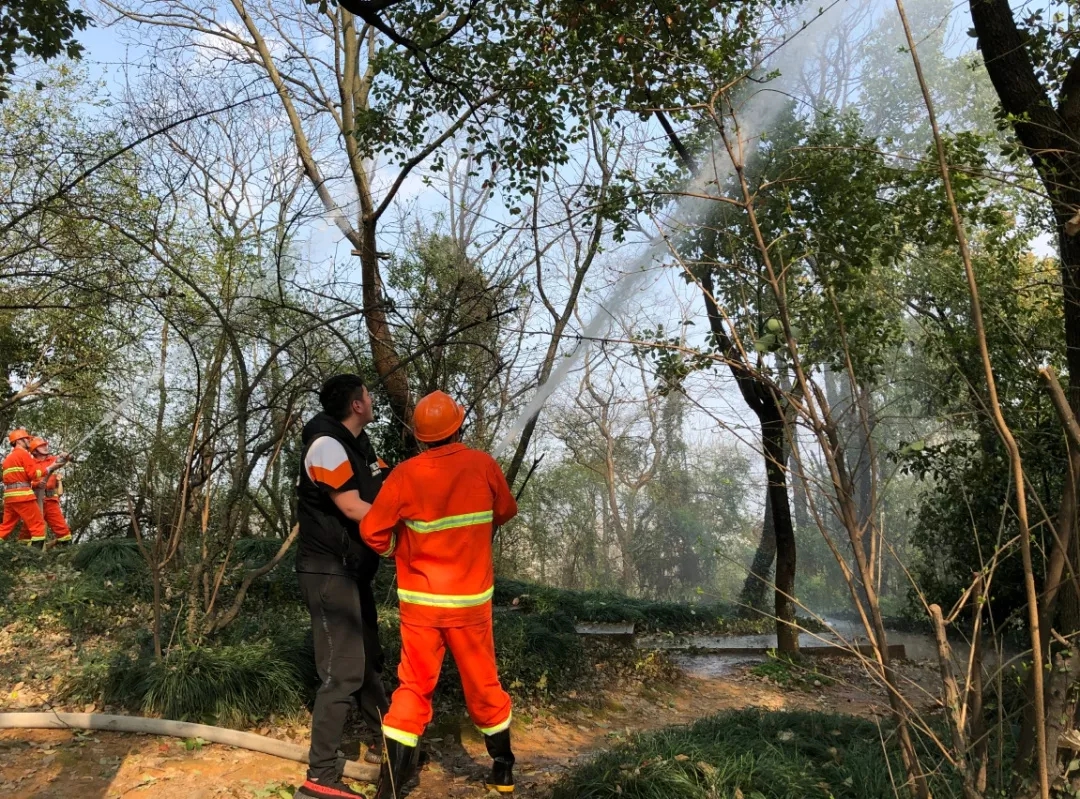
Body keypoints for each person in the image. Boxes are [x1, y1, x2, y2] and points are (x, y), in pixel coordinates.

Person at [360, 390, 518, 798]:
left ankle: (390, 789)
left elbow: (372, 531)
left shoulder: (404, 475)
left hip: (421, 606)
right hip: (471, 604)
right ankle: (503, 771)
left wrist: (399, 548)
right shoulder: (483, 465)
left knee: (412, 688)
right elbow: (505, 510)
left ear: (419, 437)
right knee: (484, 683)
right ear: (458, 427)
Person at [295, 374, 391, 799]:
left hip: (352, 570)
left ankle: (388, 744)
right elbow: (352, 506)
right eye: (368, 395)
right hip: (328, 571)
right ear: (356, 404)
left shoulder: (361, 447)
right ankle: (319, 778)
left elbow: (390, 486)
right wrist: (402, 527)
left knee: (367, 662)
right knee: (342, 671)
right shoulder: (326, 445)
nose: (372, 400)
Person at [0, 429, 47, 548]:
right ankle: (34, 555)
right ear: (19, 441)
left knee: (5, 527)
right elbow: (33, 474)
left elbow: (15, 477)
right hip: (22, 496)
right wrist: (48, 469)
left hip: (10, 497)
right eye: (27, 439)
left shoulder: (8, 459)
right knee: (38, 524)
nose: (29, 441)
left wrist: (35, 484)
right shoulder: (23, 454)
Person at [28, 438, 72, 546]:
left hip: (51, 500)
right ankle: (28, 553)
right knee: (31, 530)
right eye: (41, 446)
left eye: (45, 445)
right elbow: (25, 482)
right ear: (34, 451)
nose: (45, 447)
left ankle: (68, 550)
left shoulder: (53, 460)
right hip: (36, 500)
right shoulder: (30, 464)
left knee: (61, 527)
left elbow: (66, 459)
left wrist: (67, 456)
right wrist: (36, 484)